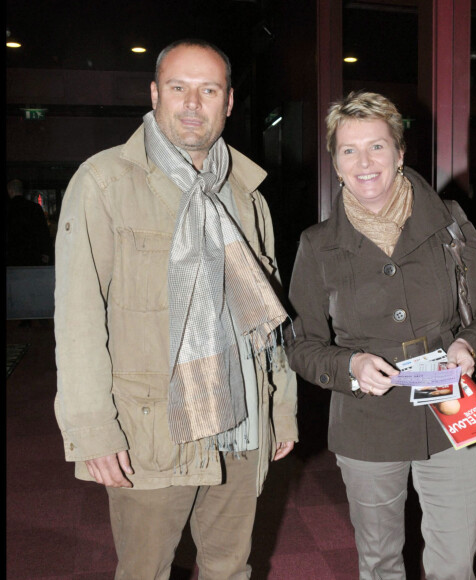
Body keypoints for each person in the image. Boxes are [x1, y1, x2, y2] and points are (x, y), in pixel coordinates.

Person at [54, 39, 298, 580]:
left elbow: (268, 315)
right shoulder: (104, 183)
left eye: (208, 90)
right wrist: (94, 430)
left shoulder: (245, 193)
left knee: (230, 568)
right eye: (178, 87)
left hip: (242, 418)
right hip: (154, 428)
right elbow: (77, 322)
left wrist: (280, 407)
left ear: (228, 102)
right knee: (145, 571)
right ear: (154, 94)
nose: (193, 103)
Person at [285, 91, 476, 579]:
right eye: (349, 150)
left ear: (401, 153)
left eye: (377, 146)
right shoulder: (317, 244)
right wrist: (348, 366)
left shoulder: (450, 221)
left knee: (456, 562)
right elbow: (300, 344)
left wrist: (469, 344)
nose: (364, 162)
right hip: (366, 421)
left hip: (452, 410)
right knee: (380, 561)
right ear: (336, 163)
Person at [6, 179, 52, 266]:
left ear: (10, 191)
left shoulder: (9, 208)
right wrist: (46, 252)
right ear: (22, 190)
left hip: (11, 255)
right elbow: (43, 232)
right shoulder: (34, 208)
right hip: (32, 255)